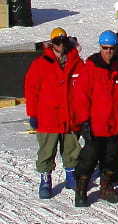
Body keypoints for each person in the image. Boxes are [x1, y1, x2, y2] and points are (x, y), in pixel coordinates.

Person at [73, 30, 118, 207]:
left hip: (114, 122)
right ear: (100, 47)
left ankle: (106, 187)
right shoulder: (91, 67)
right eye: (105, 48)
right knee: (89, 157)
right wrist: (84, 121)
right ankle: (81, 190)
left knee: (111, 156)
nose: (108, 51)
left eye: (112, 48)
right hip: (95, 123)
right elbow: (81, 96)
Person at [24, 27, 84, 199]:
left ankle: (71, 175)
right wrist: (33, 114)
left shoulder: (76, 62)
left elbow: (84, 88)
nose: (61, 45)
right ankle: (45, 178)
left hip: (70, 116)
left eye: (63, 41)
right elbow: (31, 90)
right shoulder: (40, 64)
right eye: (57, 42)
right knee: (46, 149)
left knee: (72, 148)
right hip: (48, 117)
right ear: (51, 44)